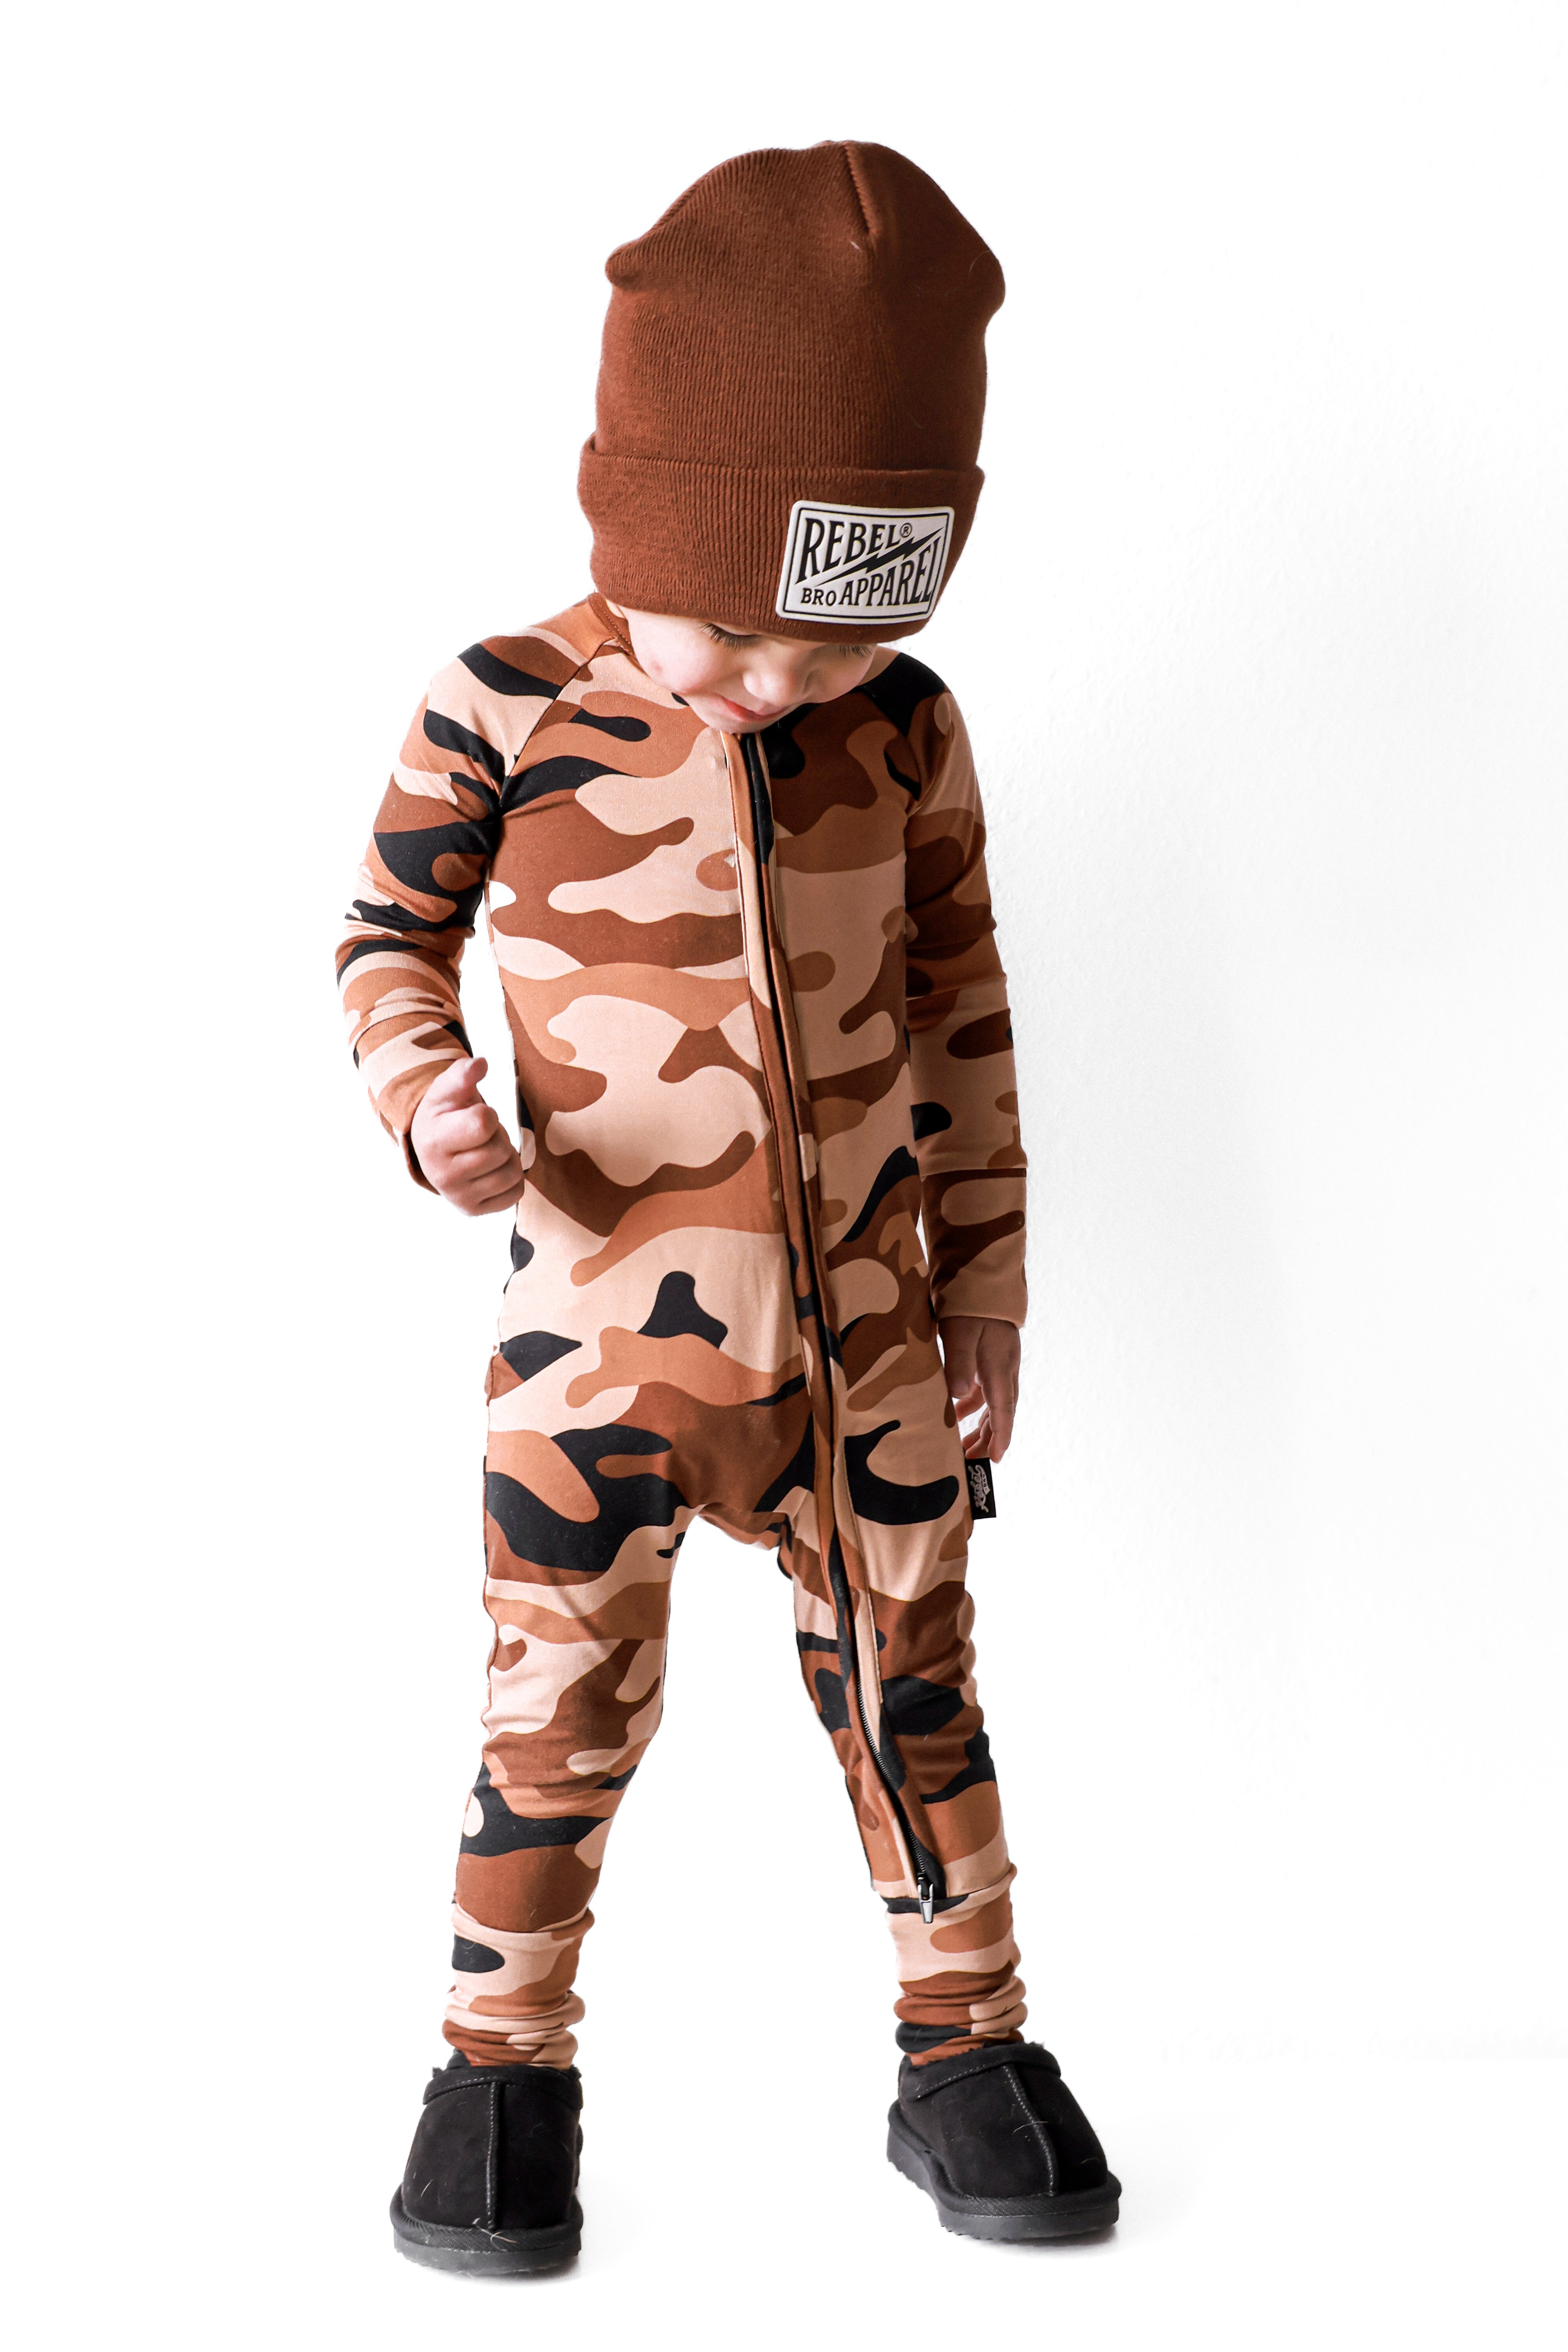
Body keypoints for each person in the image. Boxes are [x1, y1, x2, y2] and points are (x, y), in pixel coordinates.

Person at [338, 140, 1118, 2274]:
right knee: (552, 1719)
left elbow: (961, 1007)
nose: (774, 686)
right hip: (596, 1348)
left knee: (917, 1695)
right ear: (634, 528)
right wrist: (427, 1103)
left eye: (834, 649)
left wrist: (989, 1284)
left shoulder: (910, 733)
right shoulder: (504, 705)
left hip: (868, 1345)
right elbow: (385, 943)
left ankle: (967, 2050)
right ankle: (498, 2074)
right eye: (735, 634)